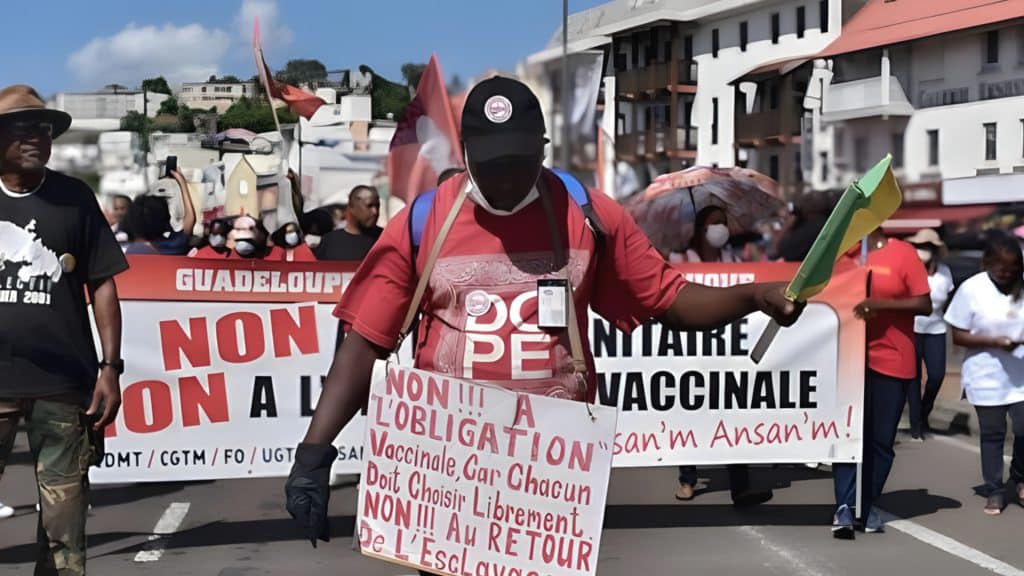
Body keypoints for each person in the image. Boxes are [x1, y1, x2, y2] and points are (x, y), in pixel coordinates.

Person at [282, 77, 802, 572]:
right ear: (464, 154)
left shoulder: (590, 215)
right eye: (490, 166)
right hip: (446, 471)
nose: (506, 180)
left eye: (519, 163)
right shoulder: (423, 220)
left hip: (549, 474)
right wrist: (314, 453)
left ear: (543, 149)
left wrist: (755, 295)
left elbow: (670, 299)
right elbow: (363, 342)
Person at [0, 84, 127, 575]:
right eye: (24, 127)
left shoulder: (74, 198)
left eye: (45, 129)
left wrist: (110, 368)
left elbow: (103, 286)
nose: (38, 137)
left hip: (63, 387)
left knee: (64, 524)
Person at [831, 228, 931, 538]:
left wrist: (881, 305)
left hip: (892, 359)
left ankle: (867, 502)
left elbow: (923, 304)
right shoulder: (840, 255)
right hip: (849, 357)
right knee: (849, 438)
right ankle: (845, 507)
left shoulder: (902, 253)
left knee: (880, 441)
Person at [670, 205, 771, 506]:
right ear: (701, 229)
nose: (721, 230)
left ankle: (740, 486)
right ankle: (687, 479)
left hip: (726, 352)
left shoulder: (731, 260)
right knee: (690, 415)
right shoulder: (679, 260)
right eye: (715, 224)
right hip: (690, 351)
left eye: (724, 224)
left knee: (731, 416)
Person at [943, 234, 1024, 516]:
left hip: (1021, 376)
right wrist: (995, 342)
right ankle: (995, 490)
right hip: (986, 376)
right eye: (1000, 266)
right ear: (987, 263)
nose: (1006, 272)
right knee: (993, 434)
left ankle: (1020, 476)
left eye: (1013, 267)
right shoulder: (971, 289)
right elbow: (959, 336)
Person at [907, 228, 954, 440]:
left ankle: (924, 413)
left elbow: (949, 299)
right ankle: (916, 424)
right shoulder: (910, 271)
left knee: (936, 376)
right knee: (913, 378)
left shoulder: (945, 272)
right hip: (912, 328)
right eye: (919, 247)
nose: (922, 251)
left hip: (936, 329)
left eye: (927, 248)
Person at [123, 169, 195, 255]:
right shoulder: (173, 246)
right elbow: (190, 220)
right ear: (166, 218)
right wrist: (181, 182)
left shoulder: (129, 252)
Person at [314, 185, 383, 261]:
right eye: (369, 206)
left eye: (377, 206)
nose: (375, 212)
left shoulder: (385, 239)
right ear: (352, 207)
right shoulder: (330, 241)